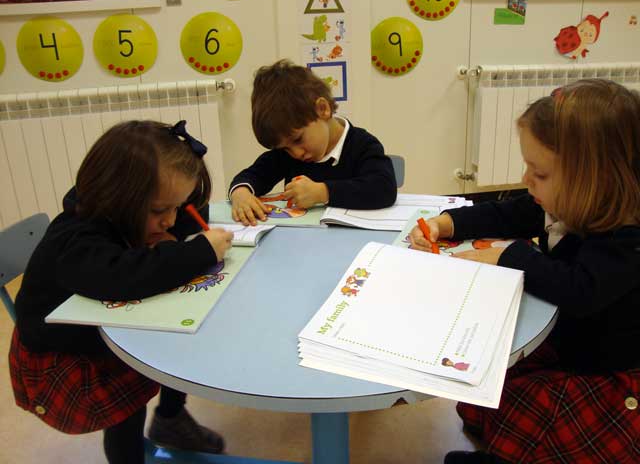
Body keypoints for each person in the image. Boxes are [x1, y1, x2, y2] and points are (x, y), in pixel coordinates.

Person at [409, 79, 640, 464]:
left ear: (595, 180)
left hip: (605, 375)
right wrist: (446, 222)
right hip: (565, 344)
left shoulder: (628, 238)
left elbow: (580, 290)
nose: (526, 180)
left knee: (545, 419)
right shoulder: (563, 201)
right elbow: (508, 212)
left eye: (540, 173)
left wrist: (508, 254)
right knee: (492, 379)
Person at [9, 120, 234, 464]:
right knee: (132, 401)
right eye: (159, 211)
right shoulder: (76, 239)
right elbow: (125, 276)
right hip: (62, 365)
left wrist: (178, 222)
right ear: (117, 196)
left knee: (178, 333)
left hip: (93, 335)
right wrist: (200, 251)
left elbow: (189, 214)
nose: (170, 221)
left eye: (177, 206)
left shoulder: (121, 211)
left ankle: (170, 419)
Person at [229, 59, 397, 225]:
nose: (296, 153)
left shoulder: (363, 145)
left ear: (323, 109)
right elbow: (253, 175)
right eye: (285, 148)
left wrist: (322, 192)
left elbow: (384, 188)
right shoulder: (286, 155)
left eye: (298, 139)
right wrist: (240, 193)